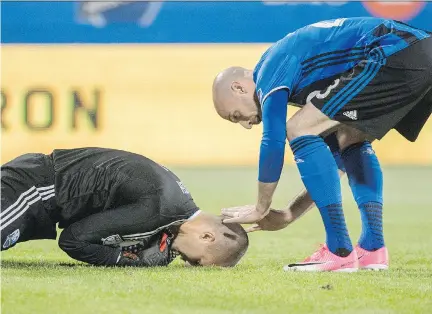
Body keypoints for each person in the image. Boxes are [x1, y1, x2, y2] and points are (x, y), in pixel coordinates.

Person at [212, 17, 432, 272]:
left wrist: (261, 207)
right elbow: (334, 166)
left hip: (397, 50)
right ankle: (373, 249)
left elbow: (273, 140)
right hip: (417, 49)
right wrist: (289, 214)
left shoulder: (268, 70)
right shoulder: (311, 80)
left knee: (298, 127)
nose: (246, 124)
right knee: (349, 139)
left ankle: (339, 251)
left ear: (237, 87)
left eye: (236, 116)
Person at [1, 147, 249, 267]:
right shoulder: (159, 211)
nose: (184, 261)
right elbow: (72, 240)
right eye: (196, 261)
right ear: (206, 236)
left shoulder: (176, 201)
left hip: (39, 188)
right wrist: (124, 259)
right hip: (34, 188)